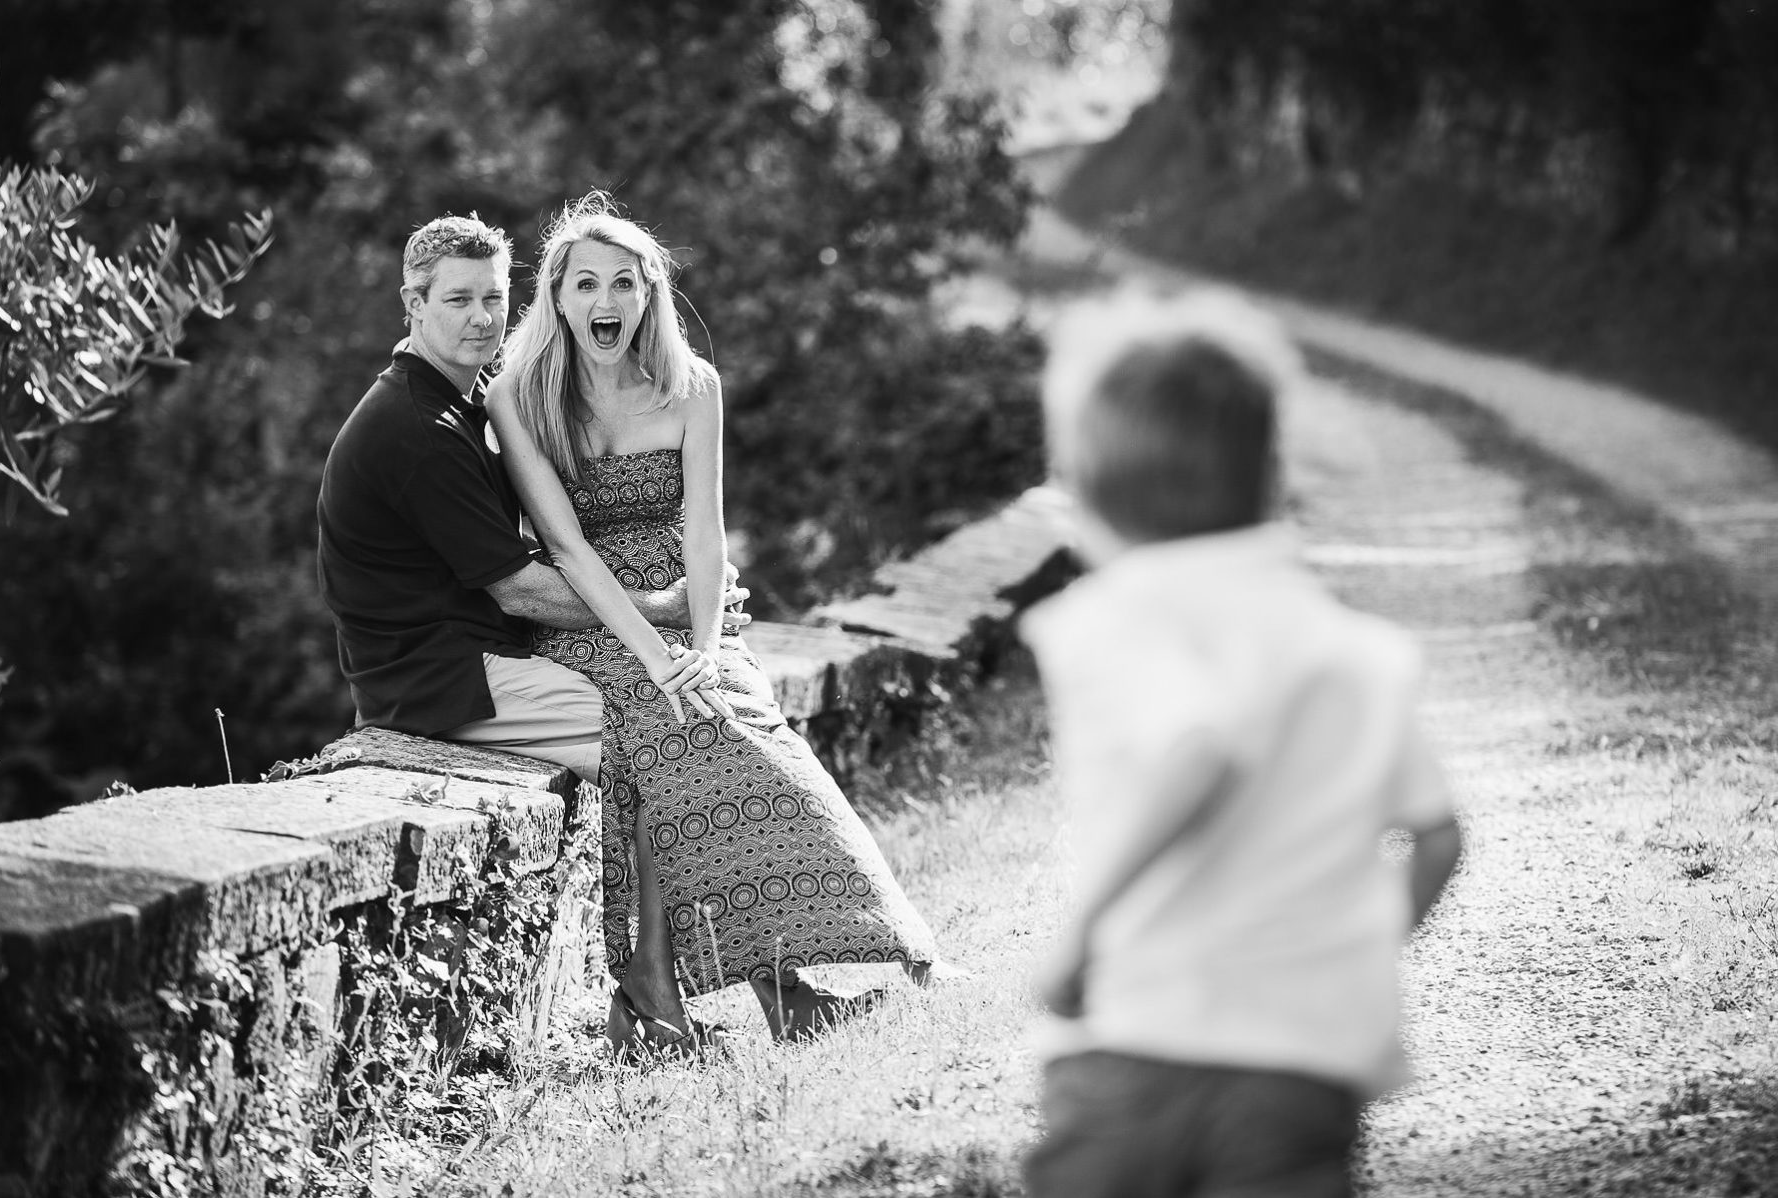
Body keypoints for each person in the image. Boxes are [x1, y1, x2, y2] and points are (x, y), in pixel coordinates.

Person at [1018, 289, 1465, 1198]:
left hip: (1140, 1041)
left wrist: (1080, 934)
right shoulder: (1351, 647)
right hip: (1303, 1062)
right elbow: (1438, 836)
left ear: (1089, 490)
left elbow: (1201, 748)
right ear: (1268, 475)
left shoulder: (1114, 621)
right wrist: (1352, 947)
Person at [484, 192, 940, 1056]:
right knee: (685, 727)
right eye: (586, 285)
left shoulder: (693, 387)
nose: (606, 303)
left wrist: (700, 647)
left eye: (625, 283)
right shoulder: (520, 394)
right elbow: (568, 551)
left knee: (746, 722)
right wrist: (658, 658)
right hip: (594, 620)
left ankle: (850, 957)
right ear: (558, 295)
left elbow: (705, 530)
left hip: (694, 614)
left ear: (651, 293)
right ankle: (735, 996)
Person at [317, 213, 748, 796]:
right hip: (442, 682)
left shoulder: (451, 403)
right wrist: (669, 607)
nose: (481, 317)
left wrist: (702, 616)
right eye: (458, 298)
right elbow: (519, 589)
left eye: (493, 297)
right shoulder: (418, 428)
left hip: (483, 659)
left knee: (704, 717)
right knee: (661, 729)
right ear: (413, 303)